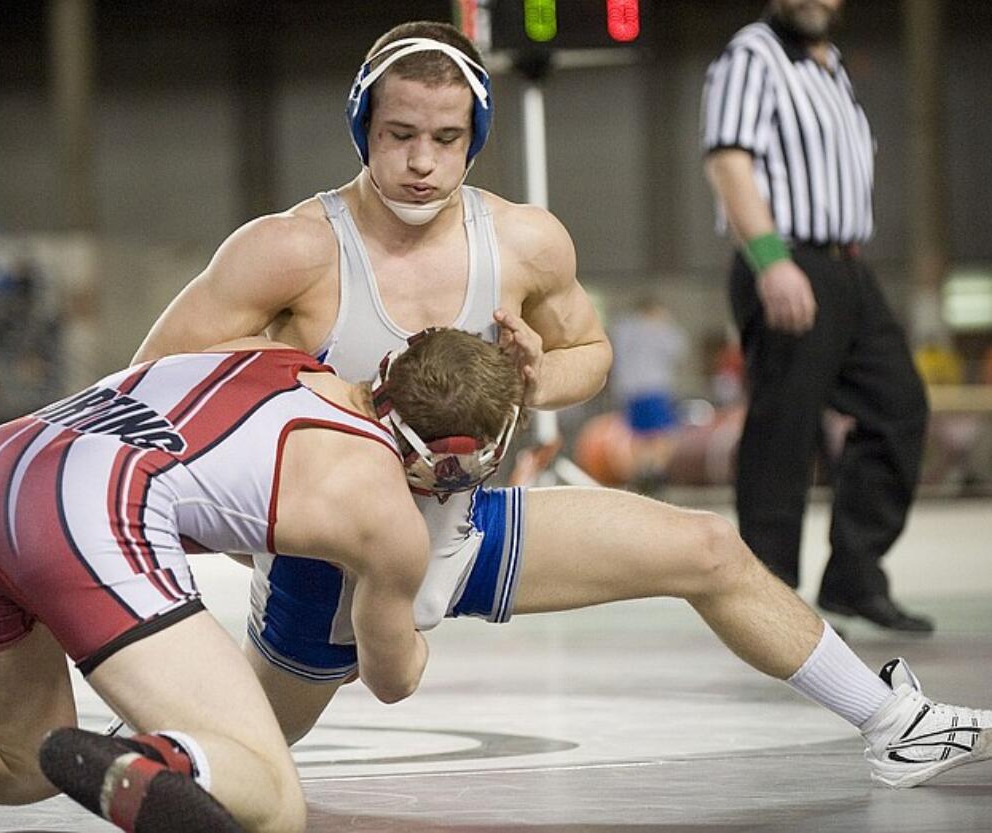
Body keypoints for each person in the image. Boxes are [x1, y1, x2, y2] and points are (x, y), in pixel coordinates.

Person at [133, 19, 990, 789]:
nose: (422, 162)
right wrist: (279, 459)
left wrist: (542, 376)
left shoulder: (522, 239)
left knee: (706, 547)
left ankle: (894, 725)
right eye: (398, 136)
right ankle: (157, 758)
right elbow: (149, 381)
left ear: (477, 138)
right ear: (363, 128)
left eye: (445, 137)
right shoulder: (291, 249)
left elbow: (592, 353)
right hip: (331, 554)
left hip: (461, 526)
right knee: (233, 766)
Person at [0, 328, 526, 832]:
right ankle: (155, 759)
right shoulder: (386, 511)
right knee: (272, 799)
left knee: (22, 753)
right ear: (453, 457)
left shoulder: (275, 354)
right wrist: (421, 588)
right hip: (88, 511)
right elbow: (392, 678)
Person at [701, 0, 933, 632]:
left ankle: (855, 576)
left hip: (846, 268)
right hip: (785, 256)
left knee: (899, 407)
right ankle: (765, 597)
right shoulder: (753, 54)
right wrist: (772, 260)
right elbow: (728, 161)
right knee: (786, 428)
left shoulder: (831, 68)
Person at [609, 296, 688, 494]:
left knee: (639, 435)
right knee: (663, 434)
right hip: (654, 388)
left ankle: (642, 472)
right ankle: (655, 472)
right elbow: (679, 350)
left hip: (631, 390)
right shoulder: (657, 328)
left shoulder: (624, 328)